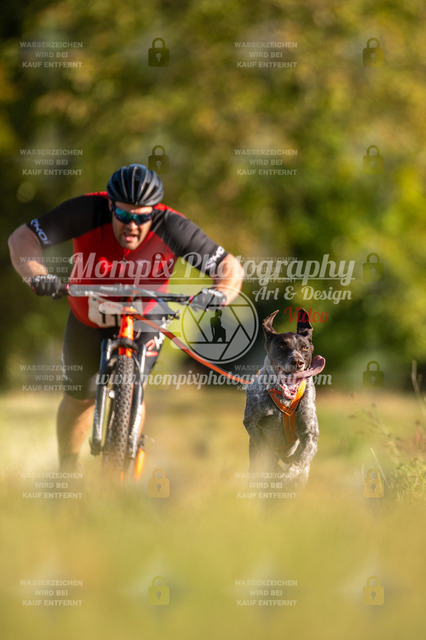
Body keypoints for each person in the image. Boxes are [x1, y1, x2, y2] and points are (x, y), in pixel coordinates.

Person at [8, 164, 245, 470]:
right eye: (124, 215)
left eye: (142, 217)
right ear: (110, 206)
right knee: (79, 398)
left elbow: (229, 267)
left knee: (134, 388)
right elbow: (22, 238)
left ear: (154, 212)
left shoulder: (172, 225)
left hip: (145, 316)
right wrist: (37, 275)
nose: (133, 225)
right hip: (88, 316)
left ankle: (122, 464)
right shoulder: (86, 211)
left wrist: (221, 293)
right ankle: (67, 467)